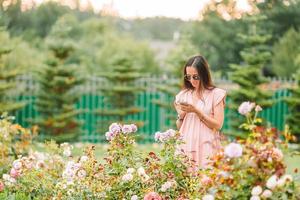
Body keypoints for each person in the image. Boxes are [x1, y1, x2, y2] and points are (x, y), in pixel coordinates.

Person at [174, 55, 226, 168]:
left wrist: (197, 111)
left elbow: (218, 125)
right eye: (188, 77)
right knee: (185, 182)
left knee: (206, 180)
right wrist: (181, 116)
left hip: (207, 146)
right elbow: (180, 127)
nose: (192, 80)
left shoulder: (215, 94)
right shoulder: (183, 95)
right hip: (186, 146)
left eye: (196, 77)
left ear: (204, 75)